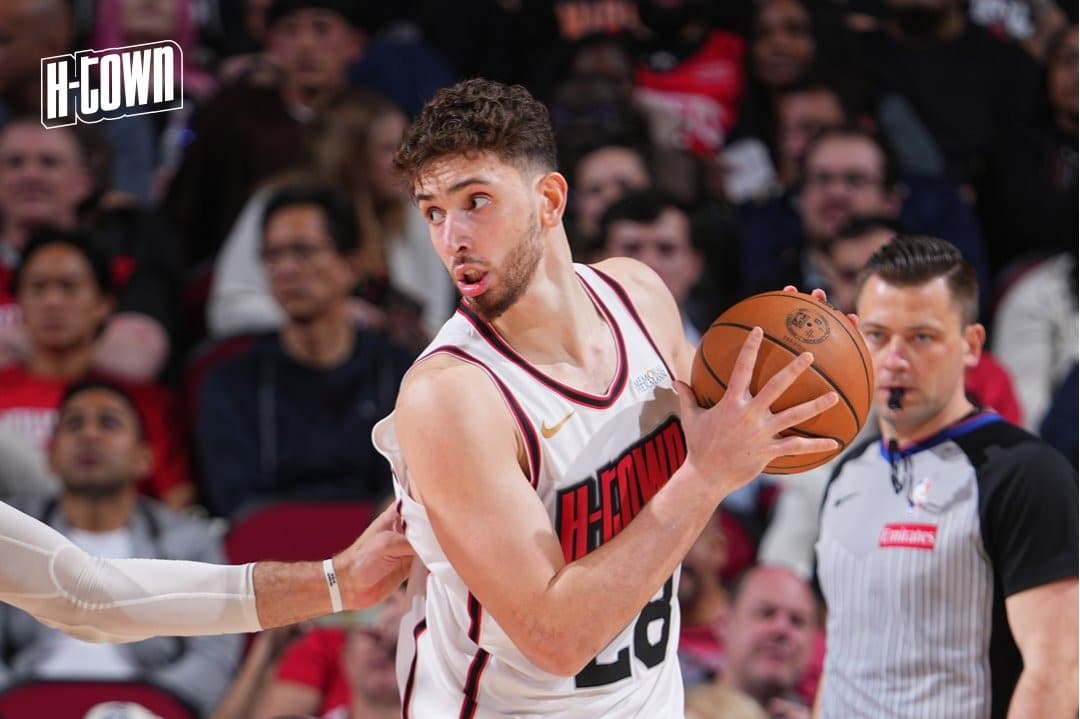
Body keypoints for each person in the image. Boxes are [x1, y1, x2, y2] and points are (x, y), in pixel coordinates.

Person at [374, 78, 839, 717]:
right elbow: (553, 637)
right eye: (432, 211)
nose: (453, 236)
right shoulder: (450, 395)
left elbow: (729, 434)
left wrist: (797, 366)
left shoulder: (638, 295)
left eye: (475, 201)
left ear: (549, 199)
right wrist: (704, 479)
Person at [814, 235, 1078, 718]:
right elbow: (841, 658)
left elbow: (1058, 672)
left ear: (971, 345)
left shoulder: (1025, 474)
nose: (895, 358)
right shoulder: (847, 476)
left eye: (921, 337)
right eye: (877, 335)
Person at [0, 381, 243, 715]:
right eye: (73, 424)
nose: (89, 435)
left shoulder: (192, 540)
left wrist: (158, 705)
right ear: (51, 456)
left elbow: (214, 653)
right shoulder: (10, 532)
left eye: (108, 423)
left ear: (143, 458)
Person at [196, 182, 413, 519]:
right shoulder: (231, 381)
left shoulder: (401, 373)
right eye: (273, 256)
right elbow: (238, 506)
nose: (286, 269)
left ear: (351, 264)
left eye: (304, 251)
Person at [715, 565, 818, 719]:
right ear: (724, 622)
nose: (781, 629)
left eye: (797, 621)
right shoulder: (673, 699)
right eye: (766, 613)